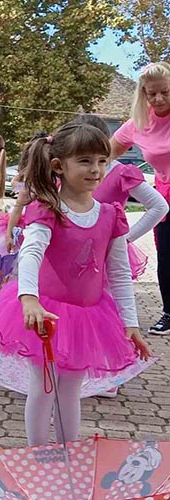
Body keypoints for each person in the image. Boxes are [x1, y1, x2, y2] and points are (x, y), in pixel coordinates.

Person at [0, 123, 151, 446]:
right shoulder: (49, 210)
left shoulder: (111, 215)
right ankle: (38, 454)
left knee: (71, 389)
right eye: (85, 161)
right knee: (43, 385)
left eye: (102, 160)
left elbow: (119, 272)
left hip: (89, 316)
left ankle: (69, 451)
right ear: (59, 165)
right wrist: (28, 298)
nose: (96, 169)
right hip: (46, 313)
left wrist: (130, 322)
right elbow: (30, 253)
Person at [110, 62, 170, 335]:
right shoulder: (139, 121)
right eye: (152, 94)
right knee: (167, 254)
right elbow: (106, 152)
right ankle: (169, 313)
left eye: (165, 93)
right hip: (165, 191)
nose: (158, 99)